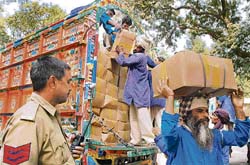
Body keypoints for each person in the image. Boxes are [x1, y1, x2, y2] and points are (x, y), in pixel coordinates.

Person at [0, 56, 85, 164]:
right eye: (68, 82)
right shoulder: (29, 122)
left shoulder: (48, 115)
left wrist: (68, 154)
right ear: (52, 82)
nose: (70, 88)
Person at [156, 79, 250, 165]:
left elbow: (240, 138)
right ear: (187, 114)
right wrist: (170, 97)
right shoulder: (178, 137)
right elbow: (168, 134)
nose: (206, 115)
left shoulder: (215, 135)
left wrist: (238, 108)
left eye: (206, 111)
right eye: (200, 111)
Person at [115, 39, 155, 145]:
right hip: (134, 92)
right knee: (133, 117)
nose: (134, 47)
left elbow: (123, 62)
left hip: (139, 91)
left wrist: (121, 53)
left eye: (137, 46)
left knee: (142, 115)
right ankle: (136, 139)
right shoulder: (138, 57)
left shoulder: (140, 56)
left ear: (141, 48)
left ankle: (149, 139)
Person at [149, 56, 166, 130]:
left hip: (155, 98)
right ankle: (160, 136)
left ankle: (149, 135)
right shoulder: (165, 72)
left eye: (156, 60)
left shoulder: (155, 71)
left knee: (150, 118)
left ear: (160, 62)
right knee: (159, 118)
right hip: (162, 99)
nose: (154, 61)